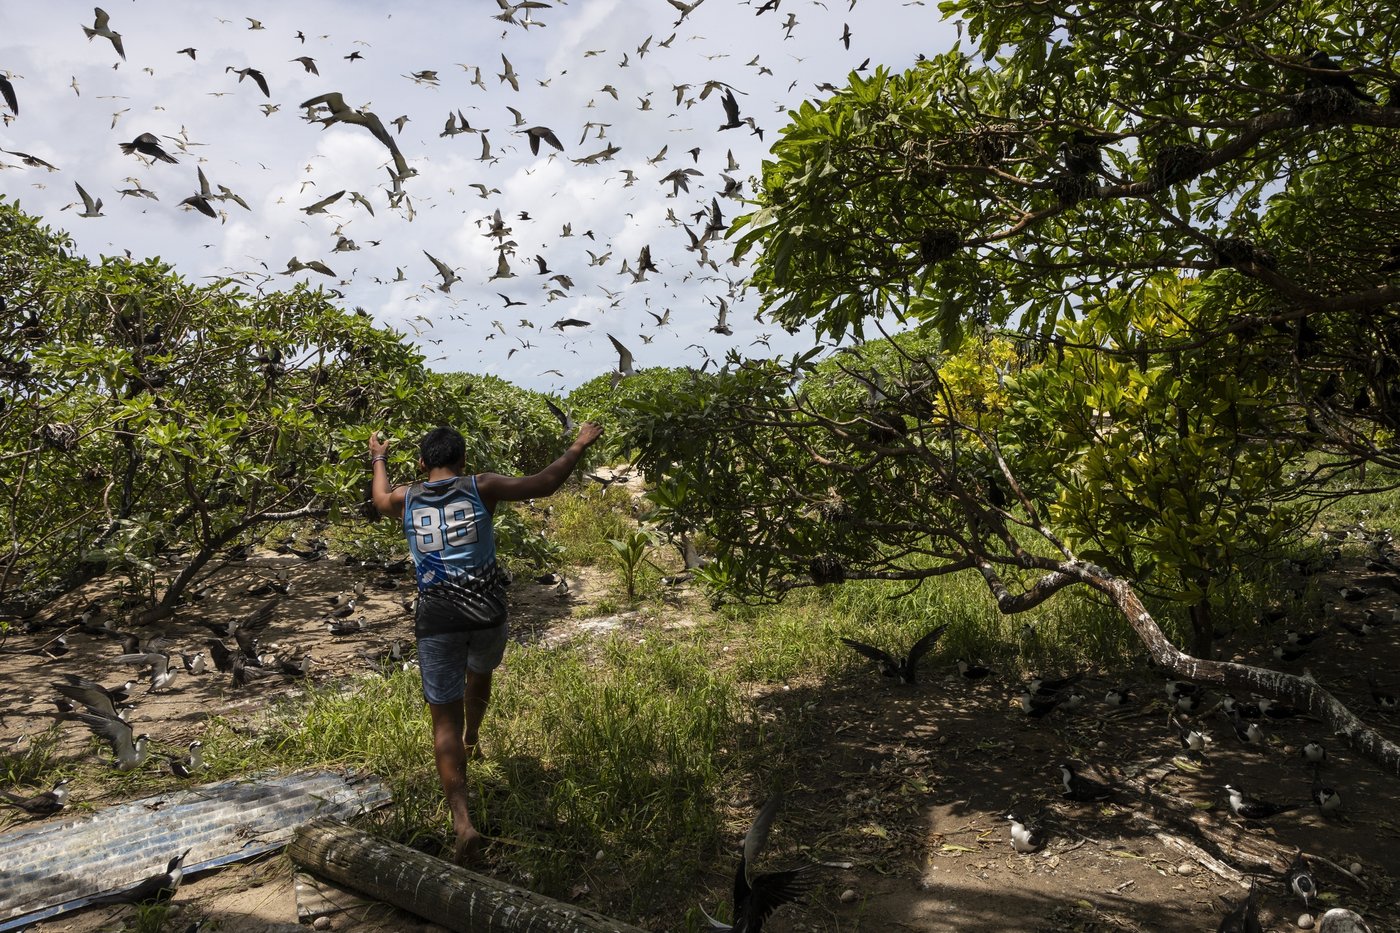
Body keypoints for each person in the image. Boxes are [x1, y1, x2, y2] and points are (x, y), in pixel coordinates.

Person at [369, 421, 603, 862]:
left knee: (443, 722)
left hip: (437, 619)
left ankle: (463, 823)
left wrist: (378, 456)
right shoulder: (482, 486)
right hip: (487, 613)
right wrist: (577, 444)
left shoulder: (407, 496)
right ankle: (473, 737)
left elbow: (380, 500)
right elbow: (545, 483)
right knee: (481, 672)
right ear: (462, 461)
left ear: (422, 462)